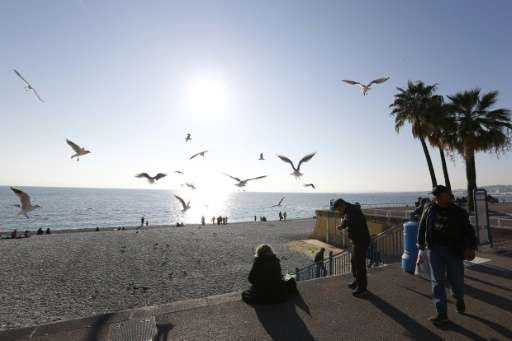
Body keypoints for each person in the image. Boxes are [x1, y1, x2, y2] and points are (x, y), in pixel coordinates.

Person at [418, 185, 477, 325]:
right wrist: (420, 244)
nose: (436, 197)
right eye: (435, 195)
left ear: (448, 195)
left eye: (440, 194)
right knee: (437, 281)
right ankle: (441, 313)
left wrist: (470, 247)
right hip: (434, 250)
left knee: (455, 279)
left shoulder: (459, 212)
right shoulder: (429, 208)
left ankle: (459, 298)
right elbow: (422, 225)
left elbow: (468, 231)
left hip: (453, 250)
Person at [333, 198, 371, 296]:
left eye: (338, 209)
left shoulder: (353, 211)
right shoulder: (349, 210)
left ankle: (362, 288)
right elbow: (347, 220)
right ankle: (357, 281)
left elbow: (351, 221)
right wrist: (342, 226)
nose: (338, 212)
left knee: (360, 265)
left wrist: (343, 225)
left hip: (361, 241)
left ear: (342, 206)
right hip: (357, 241)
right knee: (354, 262)